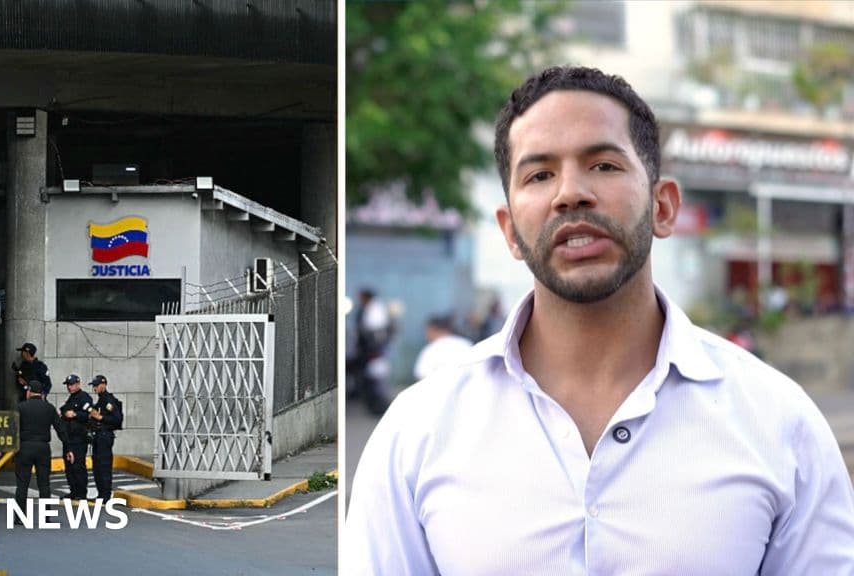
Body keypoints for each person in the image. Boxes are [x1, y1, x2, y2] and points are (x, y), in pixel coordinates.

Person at [346, 66, 854, 575]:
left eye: (604, 165)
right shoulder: (418, 431)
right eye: (539, 174)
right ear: (510, 233)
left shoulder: (780, 424)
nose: (570, 193)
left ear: (663, 206)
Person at [14, 379, 66, 521]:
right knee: (44, 484)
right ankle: (46, 516)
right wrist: (68, 447)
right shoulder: (49, 408)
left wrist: (3, 449)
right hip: (43, 448)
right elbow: (59, 428)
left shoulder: (21, 407)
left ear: (29, 392)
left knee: (22, 483)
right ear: (41, 394)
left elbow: (13, 429)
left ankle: (19, 516)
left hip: (24, 447)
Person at [349, 288, 393, 414]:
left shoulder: (376, 310)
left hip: (374, 351)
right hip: (369, 351)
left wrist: (373, 348)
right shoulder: (367, 309)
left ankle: (379, 406)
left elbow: (376, 333)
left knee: (376, 378)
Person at [87, 375, 123, 502]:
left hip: (105, 436)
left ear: (104, 385)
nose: (95, 388)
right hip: (97, 436)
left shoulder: (109, 401)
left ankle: (105, 495)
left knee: (104, 465)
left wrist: (101, 417)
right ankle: (101, 493)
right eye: (94, 386)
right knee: (97, 466)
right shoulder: (100, 401)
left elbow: (117, 419)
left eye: (96, 385)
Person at [59, 373, 92, 500]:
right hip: (69, 438)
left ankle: (81, 492)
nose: (69, 387)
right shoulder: (71, 399)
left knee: (78, 465)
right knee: (69, 466)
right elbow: (63, 411)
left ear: (78, 384)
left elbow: (89, 415)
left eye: (71, 384)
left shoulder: (84, 398)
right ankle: (73, 491)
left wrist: (75, 415)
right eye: (68, 385)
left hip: (79, 438)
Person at [412, 315, 473, 381]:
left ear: (433, 329)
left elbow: (421, 375)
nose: (426, 335)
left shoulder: (431, 349)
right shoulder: (466, 343)